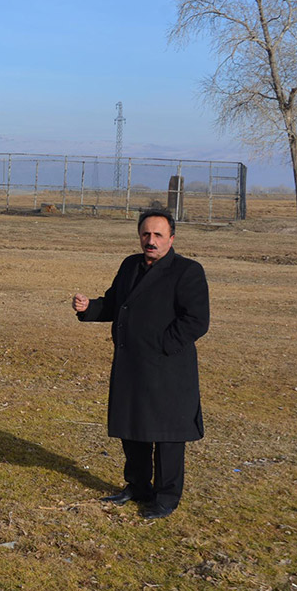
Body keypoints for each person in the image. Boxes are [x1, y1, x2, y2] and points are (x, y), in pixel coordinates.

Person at [72, 209, 209, 519]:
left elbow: (197, 320)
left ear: (171, 238)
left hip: (168, 370)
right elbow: (113, 303)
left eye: (158, 235)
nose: (151, 240)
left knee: (168, 435)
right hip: (131, 366)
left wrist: (162, 345)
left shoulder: (187, 271)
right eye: (146, 234)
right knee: (133, 429)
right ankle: (137, 486)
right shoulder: (130, 266)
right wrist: (88, 307)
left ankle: (166, 497)